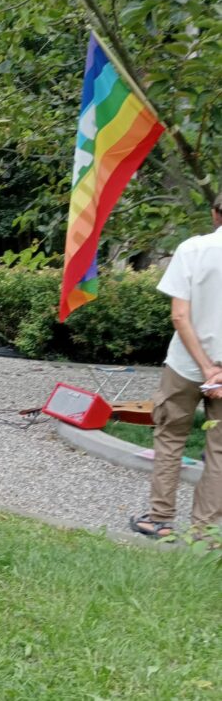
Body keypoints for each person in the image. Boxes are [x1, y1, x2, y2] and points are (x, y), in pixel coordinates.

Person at [131, 191, 222, 539]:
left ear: (215, 213)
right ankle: (206, 533)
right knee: (219, 451)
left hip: (184, 365)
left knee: (170, 437)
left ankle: (160, 519)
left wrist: (205, 366)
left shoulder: (192, 249)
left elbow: (179, 316)